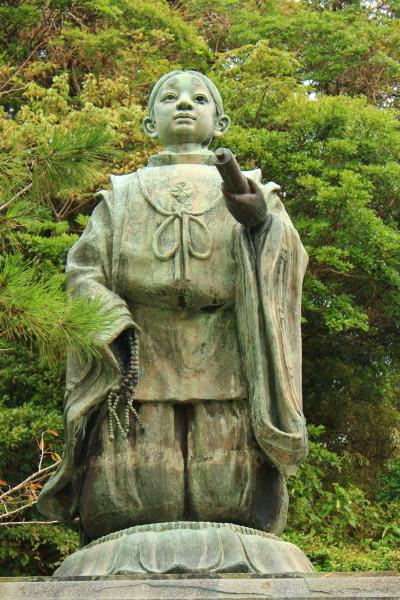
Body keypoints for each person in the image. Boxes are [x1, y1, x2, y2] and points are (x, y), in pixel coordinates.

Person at [37, 70, 308, 544]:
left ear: (220, 122)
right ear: (149, 123)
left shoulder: (252, 187)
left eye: (199, 98)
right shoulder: (121, 195)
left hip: (225, 355)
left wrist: (261, 224)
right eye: (170, 97)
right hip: (142, 355)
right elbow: (83, 271)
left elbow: (288, 259)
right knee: (140, 494)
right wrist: (113, 324)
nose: (184, 104)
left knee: (225, 492)